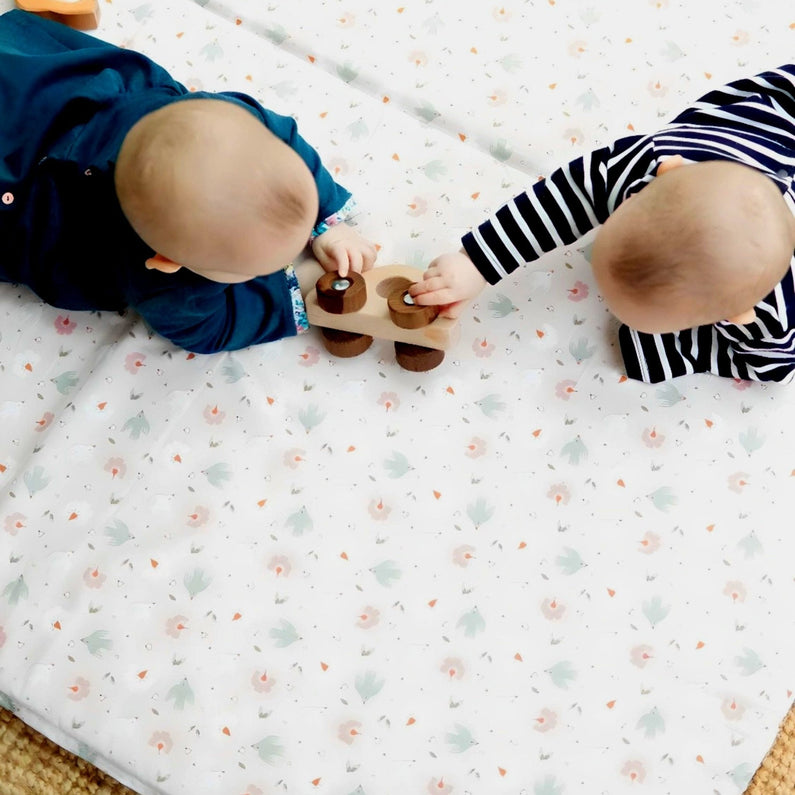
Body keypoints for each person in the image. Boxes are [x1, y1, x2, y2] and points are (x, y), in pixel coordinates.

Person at [0, 9, 376, 353]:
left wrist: (328, 221)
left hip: (54, 91)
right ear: (167, 260)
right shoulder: (160, 279)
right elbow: (210, 327)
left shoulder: (234, 121)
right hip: (24, 197)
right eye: (250, 270)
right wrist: (297, 291)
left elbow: (287, 145)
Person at [409, 65, 795, 383]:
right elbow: (568, 197)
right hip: (777, 109)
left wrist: (697, 344)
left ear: (734, 313)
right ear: (664, 175)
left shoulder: (773, 311)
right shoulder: (647, 162)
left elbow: (773, 368)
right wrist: (478, 262)